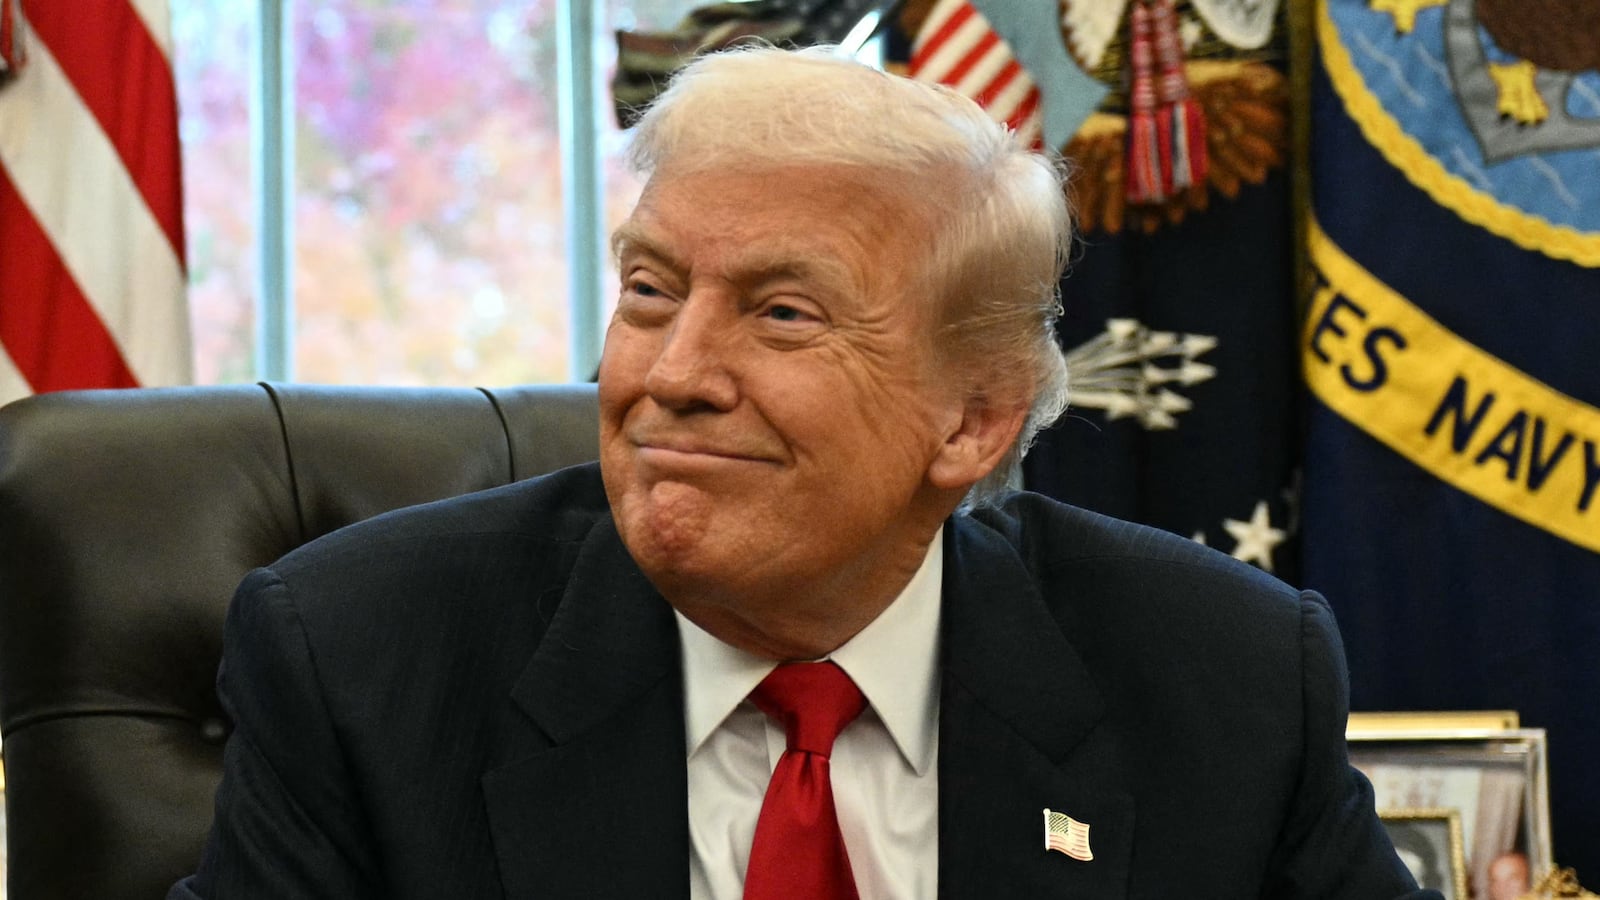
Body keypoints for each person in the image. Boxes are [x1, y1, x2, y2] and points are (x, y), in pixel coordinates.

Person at [170, 45, 1436, 899]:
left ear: (972, 423)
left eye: (782, 316)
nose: (673, 371)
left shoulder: (1222, 679)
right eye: (651, 292)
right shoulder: (362, 659)